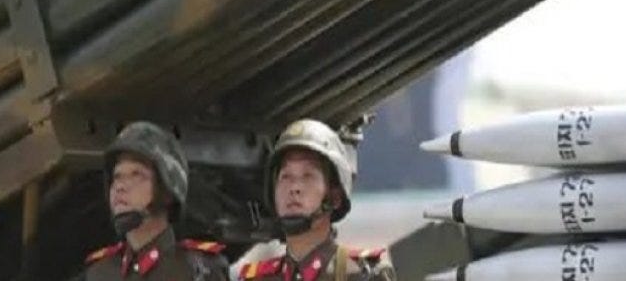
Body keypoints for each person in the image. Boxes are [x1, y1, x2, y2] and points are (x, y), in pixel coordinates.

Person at [238, 119, 396, 281]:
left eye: (308, 176)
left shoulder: (363, 274)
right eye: (286, 176)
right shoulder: (256, 278)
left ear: (334, 197)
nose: (294, 187)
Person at [79, 121, 229, 280]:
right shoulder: (99, 273)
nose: (120, 186)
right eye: (117, 177)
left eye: (136, 175)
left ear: (167, 191)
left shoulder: (198, 270)